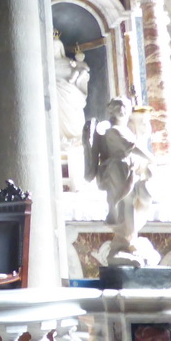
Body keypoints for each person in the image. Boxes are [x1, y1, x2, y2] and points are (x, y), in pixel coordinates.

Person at [83, 96, 158, 266]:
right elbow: (132, 147)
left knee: (132, 202)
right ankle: (126, 243)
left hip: (127, 169)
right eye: (118, 107)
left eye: (125, 106)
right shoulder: (113, 130)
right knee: (125, 204)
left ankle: (129, 240)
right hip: (118, 170)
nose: (122, 110)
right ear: (111, 110)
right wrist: (150, 158)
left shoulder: (123, 129)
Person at [54, 36, 90, 148]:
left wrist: (79, 78)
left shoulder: (69, 62)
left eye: (56, 47)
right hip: (56, 93)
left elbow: (82, 73)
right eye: (52, 47)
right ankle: (60, 140)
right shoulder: (46, 63)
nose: (54, 49)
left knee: (75, 119)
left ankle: (77, 139)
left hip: (71, 94)